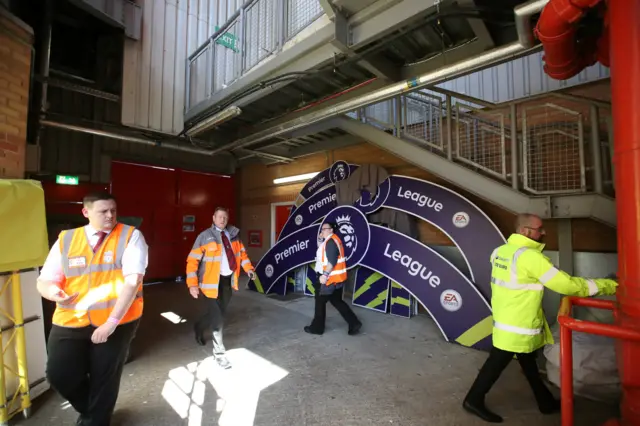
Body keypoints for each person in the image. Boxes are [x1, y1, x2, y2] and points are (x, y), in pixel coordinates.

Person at [462, 213, 618, 423]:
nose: (543, 232)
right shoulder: (530, 258)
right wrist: (607, 285)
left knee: (528, 363)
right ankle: (473, 399)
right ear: (526, 231)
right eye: (539, 229)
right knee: (497, 362)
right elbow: (567, 285)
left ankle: (544, 401)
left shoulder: (500, 251)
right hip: (518, 323)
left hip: (506, 318)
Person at [37, 191, 148, 426]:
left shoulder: (130, 236)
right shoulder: (67, 239)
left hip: (117, 319)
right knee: (59, 374)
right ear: (86, 213)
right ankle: (93, 410)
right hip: (70, 318)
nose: (110, 216)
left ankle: (97, 419)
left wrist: (111, 322)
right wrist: (52, 292)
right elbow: (45, 279)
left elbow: (132, 281)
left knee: (104, 377)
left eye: (113, 210)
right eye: (103, 211)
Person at [186, 207, 255, 369]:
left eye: (225, 217)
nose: (222, 219)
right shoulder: (204, 237)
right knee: (218, 320)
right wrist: (192, 284)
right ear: (213, 218)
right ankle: (219, 354)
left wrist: (249, 269)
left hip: (227, 281)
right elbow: (192, 261)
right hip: (210, 284)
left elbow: (242, 255)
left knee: (219, 313)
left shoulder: (233, 235)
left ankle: (199, 326)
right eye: (219, 217)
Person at [304, 222, 362, 335]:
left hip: (328, 279)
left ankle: (317, 328)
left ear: (331, 230)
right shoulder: (333, 240)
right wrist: (321, 240)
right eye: (322, 229)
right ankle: (354, 323)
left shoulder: (330, 242)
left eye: (325, 229)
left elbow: (332, 261)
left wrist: (324, 275)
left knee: (320, 303)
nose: (322, 231)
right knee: (337, 301)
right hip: (336, 279)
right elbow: (325, 254)